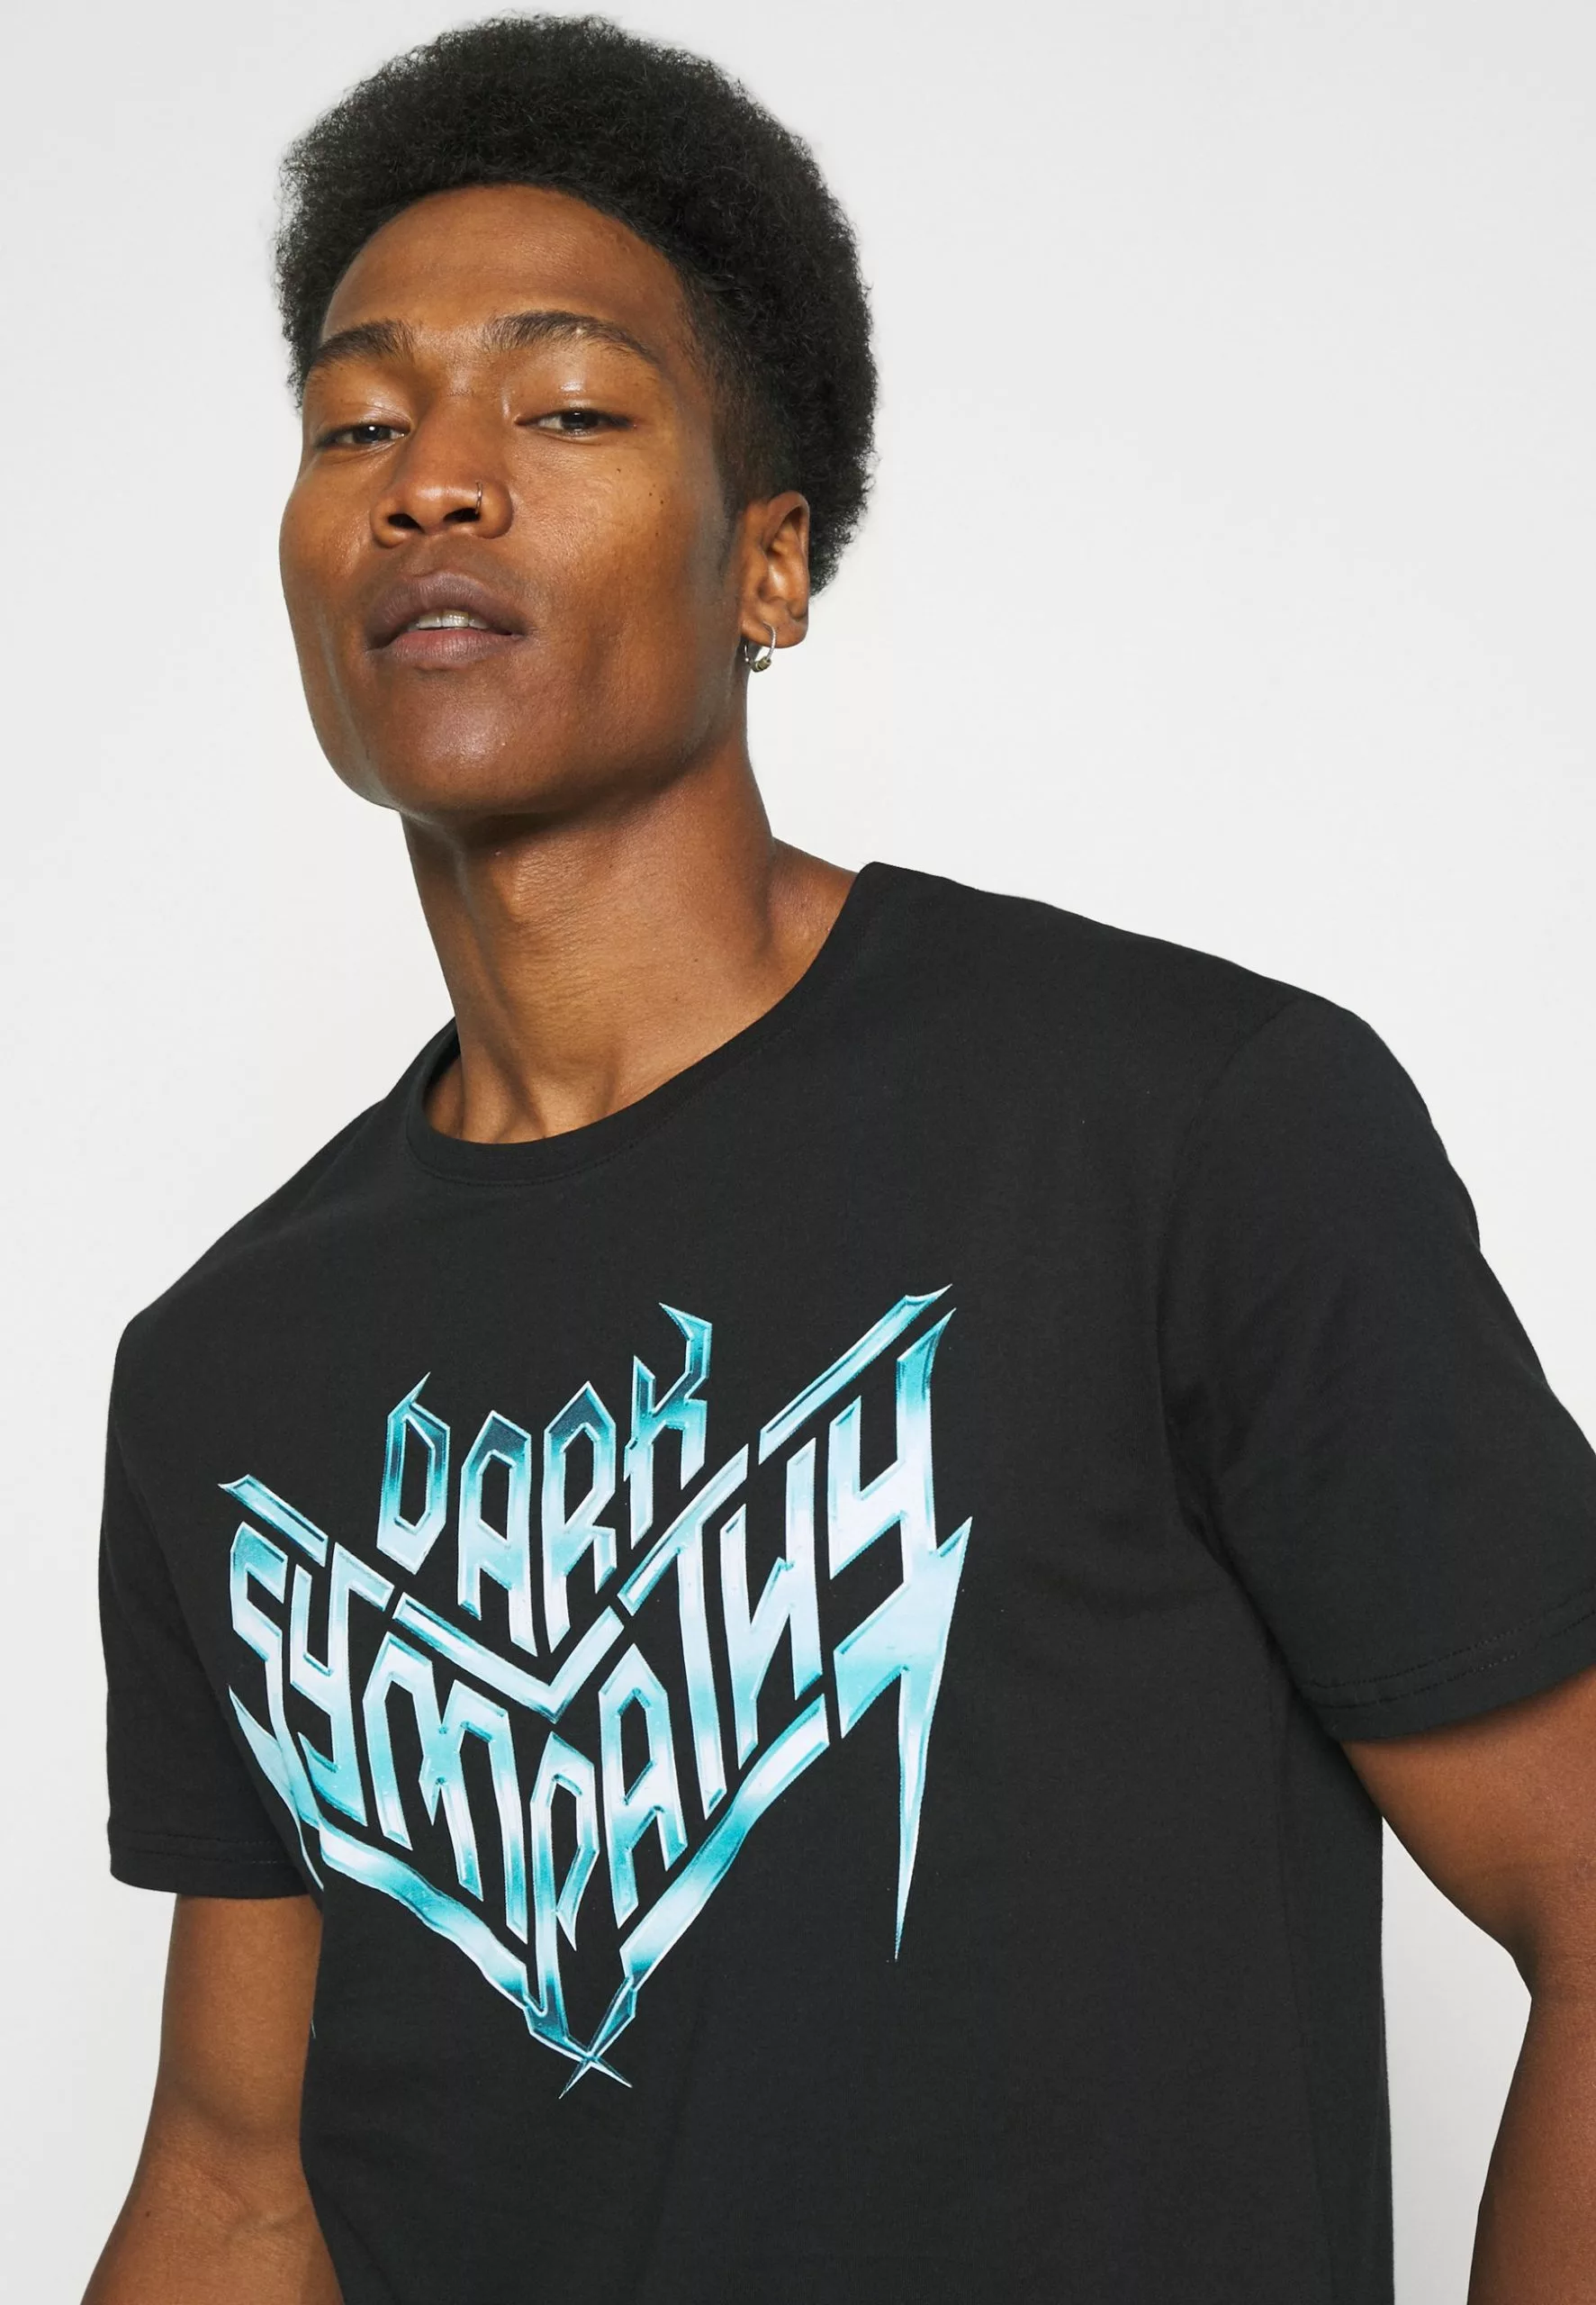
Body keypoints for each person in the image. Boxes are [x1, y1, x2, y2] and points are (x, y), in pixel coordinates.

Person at [86, 16, 1596, 2305]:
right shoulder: (222, 1360)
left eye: (564, 408)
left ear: (768, 566)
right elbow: (237, 2180)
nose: (433, 484)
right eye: (356, 424)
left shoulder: (1180, 1127)